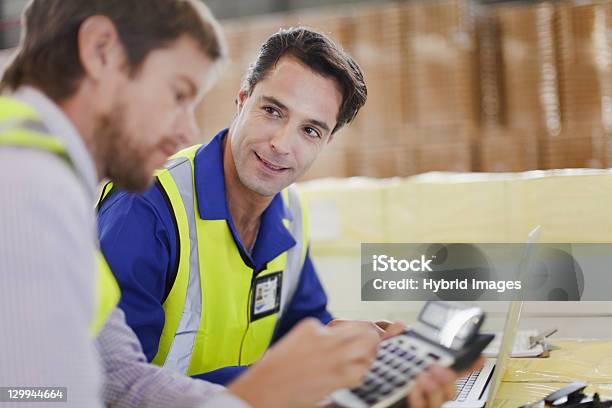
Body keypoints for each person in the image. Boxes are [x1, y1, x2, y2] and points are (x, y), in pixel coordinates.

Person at [0, 2, 387, 407]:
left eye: (310, 130)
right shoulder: (30, 193)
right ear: (100, 51)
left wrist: (345, 355)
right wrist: (265, 389)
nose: (188, 129)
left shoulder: (57, 194)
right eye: (177, 94)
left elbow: (116, 377)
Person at [97, 26, 482, 407]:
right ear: (242, 99)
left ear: (327, 141)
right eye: (272, 111)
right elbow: (117, 388)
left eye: (310, 130)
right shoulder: (145, 206)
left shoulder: (290, 214)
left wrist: (351, 351)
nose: (281, 144)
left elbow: (306, 328)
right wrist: (284, 380)